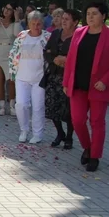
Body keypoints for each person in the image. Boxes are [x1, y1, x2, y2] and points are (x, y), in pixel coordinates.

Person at [63, 2, 109, 172]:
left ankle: (95, 156)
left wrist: (105, 81)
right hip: (78, 85)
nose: (90, 16)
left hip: (98, 87)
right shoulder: (79, 33)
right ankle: (88, 147)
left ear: (103, 16)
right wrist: (66, 82)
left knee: (97, 122)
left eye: (94, 13)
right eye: (88, 13)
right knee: (77, 120)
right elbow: (70, 60)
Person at [9, 11, 52, 143]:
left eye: (39, 24)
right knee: (21, 104)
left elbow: (51, 55)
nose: (36, 26)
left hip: (39, 78)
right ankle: (24, 130)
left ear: (42, 24)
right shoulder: (22, 36)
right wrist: (12, 72)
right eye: (33, 23)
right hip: (22, 77)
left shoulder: (47, 37)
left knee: (38, 106)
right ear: (28, 23)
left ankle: (37, 134)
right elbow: (13, 54)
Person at [43, 8, 80, 149]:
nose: (63, 21)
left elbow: (80, 57)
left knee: (69, 109)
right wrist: (54, 59)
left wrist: (66, 60)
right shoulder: (55, 34)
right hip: (53, 76)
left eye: (67, 19)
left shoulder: (78, 37)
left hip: (69, 78)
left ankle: (69, 137)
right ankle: (60, 133)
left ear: (75, 22)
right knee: (51, 106)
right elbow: (46, 52)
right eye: (62, 18)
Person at [0, 3, 23, 115]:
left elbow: (17, 34)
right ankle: (2, 105)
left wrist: (17, 19)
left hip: (11, 51)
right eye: (5, 8)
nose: (6, 11)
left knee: (11, 80)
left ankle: (12, 105)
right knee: (0, 79)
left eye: (9, 9)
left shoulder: (14, 23)